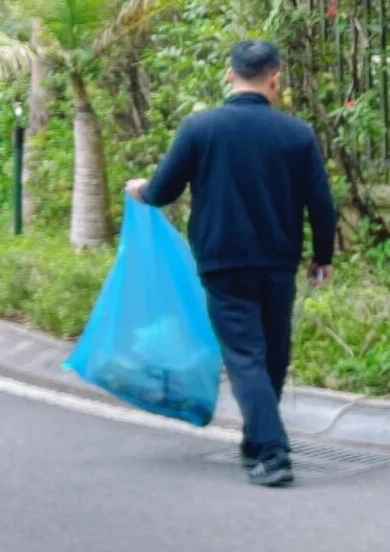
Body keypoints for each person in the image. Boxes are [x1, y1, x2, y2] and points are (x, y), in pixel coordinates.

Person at [126, 39, 337, 488]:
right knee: (272, 355)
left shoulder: (200, 128)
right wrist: (323, 256)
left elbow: (163, 190)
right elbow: (321, 203)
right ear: (275, 78)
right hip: (278, 261)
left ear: (229, 75)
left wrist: (139, 189)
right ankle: (262, 442)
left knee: (245, 356)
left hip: (223, 261)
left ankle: (268, 449)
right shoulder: (296, 134)